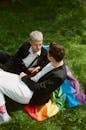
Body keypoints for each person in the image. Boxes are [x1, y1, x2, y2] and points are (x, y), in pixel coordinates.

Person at [0, 42, 66, 124]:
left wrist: (24, 78)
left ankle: (4, 115)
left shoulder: (59, 76)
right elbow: (46, 66)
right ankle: (2, 112)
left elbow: (39, 89)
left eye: (48, 54)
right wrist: (39, 67)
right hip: (29, 82)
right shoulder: (55, 62)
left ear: (52, 58)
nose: (45, 54)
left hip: (31, 95)